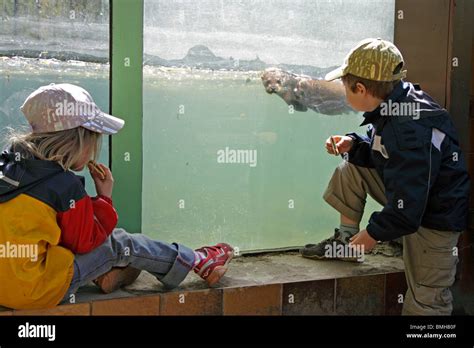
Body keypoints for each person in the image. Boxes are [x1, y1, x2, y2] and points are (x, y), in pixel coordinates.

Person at [0, 83, 233, 310]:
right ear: (78, 139)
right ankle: (198, 260)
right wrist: (104, 198)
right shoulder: (64, 185)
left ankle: (108, 274)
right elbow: (85, 241)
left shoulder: (8, 168)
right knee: (120, 243)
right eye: (94, 140)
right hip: (35, 292)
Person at [300, 38, 470, 315]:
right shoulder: (395, 103)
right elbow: (388, 154)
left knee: (427, 303)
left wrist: (373, 234)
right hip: (414, 200)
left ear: (361, 88)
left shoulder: (408, 129)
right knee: (351, 166)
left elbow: (410, 204)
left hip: (435, 218)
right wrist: (354, 145)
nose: (344, 93)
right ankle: (346, 242)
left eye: (345, 87)